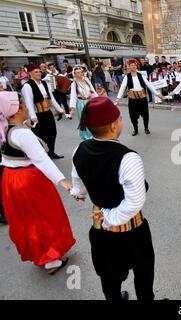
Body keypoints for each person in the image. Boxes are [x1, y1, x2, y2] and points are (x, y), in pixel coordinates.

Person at [70, 96, 155, 300]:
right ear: (114, 125)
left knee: (109, 279)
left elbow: (78, 185)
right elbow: (134, 201)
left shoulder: (79, 150)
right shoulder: (128, 158)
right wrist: (110, 219)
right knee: (143, 273)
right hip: (131, 231)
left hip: (100, 231)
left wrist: (79, 194)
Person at [0, 91, 75, 274]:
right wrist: (63, 181)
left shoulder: (5, 129)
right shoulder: (21, 133)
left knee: (27, 220)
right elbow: (41, 159)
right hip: (28, 180)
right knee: (44, 216)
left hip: (11, 179)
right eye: (24, 106)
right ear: (16, 111)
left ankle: (40, 253)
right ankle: (51, 257)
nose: (28, 108)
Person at [21, 64, 64, 159]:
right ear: (29, 73)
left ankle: (51, 152)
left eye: (39, 71)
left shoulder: (44, 83)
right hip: (37, 115)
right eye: (36, 72)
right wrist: (33, 117)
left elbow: (51, 99)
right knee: (40, 135)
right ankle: (43, 153)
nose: (39, 73)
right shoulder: (27, 86)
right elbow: (29, 103)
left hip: (47, 113)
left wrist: (60, 110)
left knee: (53, 133)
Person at [116, 59, 162, 136]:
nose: (133, 66)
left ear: (136, 66)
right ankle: (135, 129)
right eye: (131, 65)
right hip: (132, 99)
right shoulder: (127, 77)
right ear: (129, 67)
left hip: (142, 98)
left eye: (134, 65)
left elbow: (149, 85)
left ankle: (146, 128)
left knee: (145, 115)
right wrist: (118, 98)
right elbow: (122, 87)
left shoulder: (141, 75)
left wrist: (157, 93)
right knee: (133, 116)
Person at [69, 65, 98, 140]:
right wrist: (72, 108)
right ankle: (86, 136)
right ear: (74, 74)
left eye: (81, 72)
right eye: (78, 72)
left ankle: (93, 134)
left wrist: (98, 99)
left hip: (89, 102)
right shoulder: (74, 84)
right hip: (81, 103)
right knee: (84, 120)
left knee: (92, 119)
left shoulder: (87, 80)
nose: (80, 73)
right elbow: (73, 96)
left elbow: (92, 91)